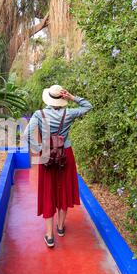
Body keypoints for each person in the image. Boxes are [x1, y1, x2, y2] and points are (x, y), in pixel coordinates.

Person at [24, 85, 93, 248]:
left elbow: (27, 134)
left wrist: (40, 148)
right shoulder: (69, 113)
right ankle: (61, 227)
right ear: (62, 99)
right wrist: (72, 97)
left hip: (47, 156)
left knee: (49, 191)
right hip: (65, 155)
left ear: (48, 97)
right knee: (63, 190)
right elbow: (88, 106)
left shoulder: (39, 114)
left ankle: (49, 236)